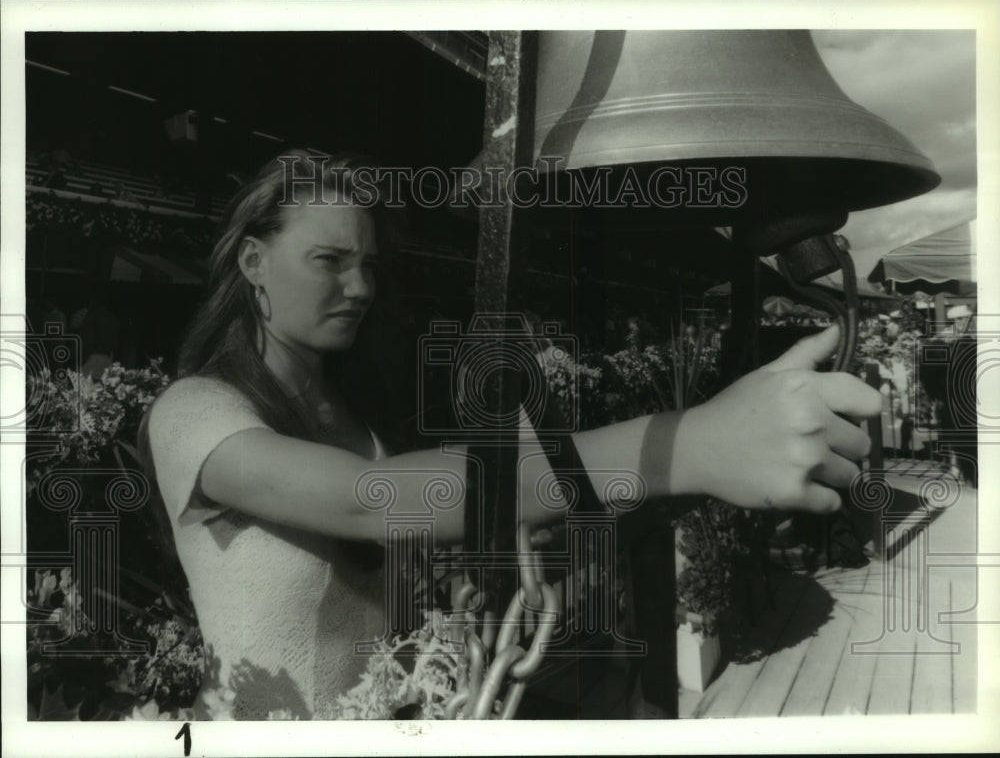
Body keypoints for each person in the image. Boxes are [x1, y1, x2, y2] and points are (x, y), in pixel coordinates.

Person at [142, 150, 881, 720]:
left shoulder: (348, 413)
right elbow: (372, 500)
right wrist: (687, 445)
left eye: (368, 264)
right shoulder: (194, 410)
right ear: (252, 263)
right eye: (330, 261)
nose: (362, 286)